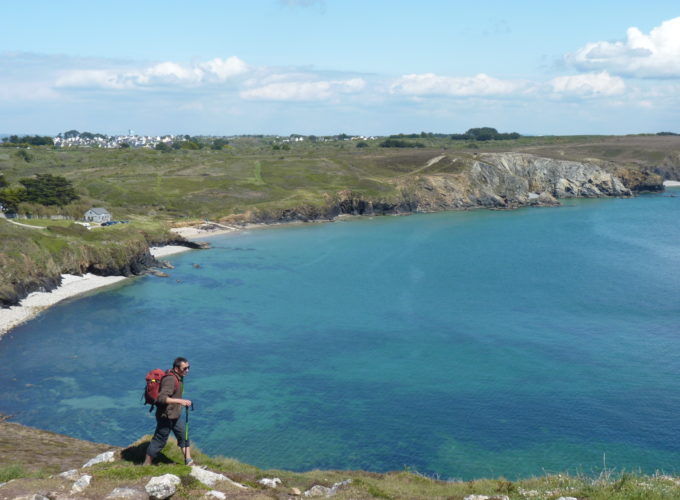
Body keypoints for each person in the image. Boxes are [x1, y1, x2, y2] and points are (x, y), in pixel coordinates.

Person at [143, 357, 194, 465]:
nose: (187, 370)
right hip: (165, 416)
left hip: (174, 414)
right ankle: (146, 464)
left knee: (183, 436)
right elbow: (161, 398)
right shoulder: (170, 379)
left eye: (188, 367)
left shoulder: (178, 377)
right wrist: (180, 401)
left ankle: (189, 462)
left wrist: (180, 402)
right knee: (160, 440)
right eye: (185, 368)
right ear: (176, 368)